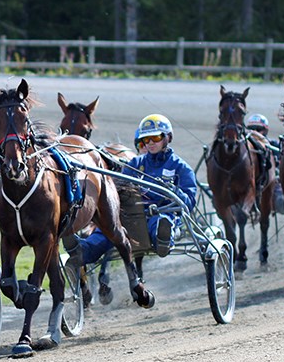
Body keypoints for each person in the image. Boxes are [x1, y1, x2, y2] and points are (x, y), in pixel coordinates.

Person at [65, 114, 197, 267]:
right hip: (133, 217)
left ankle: (163, 239)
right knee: (111, 225)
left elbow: (189, 202)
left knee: (162, 221)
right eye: (146, 139)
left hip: (162, 212)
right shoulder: (135, 164)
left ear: (168, 137)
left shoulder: (181, 168)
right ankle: (83, 250)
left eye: (155, 138)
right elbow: (118, 189)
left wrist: (172, 190)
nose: (150, 143)